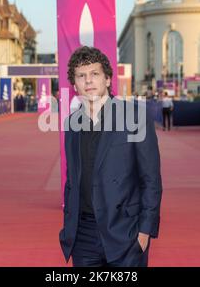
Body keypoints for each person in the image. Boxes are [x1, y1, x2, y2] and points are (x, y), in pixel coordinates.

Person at [59, 46, 163, 267]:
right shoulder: (71, 124)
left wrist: (145, 230)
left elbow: (151, 179)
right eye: (81, 76)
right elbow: (72, 179)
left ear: (107, 79)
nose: (88, 81)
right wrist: (69, 225)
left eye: (94, 74)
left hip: (125, 231)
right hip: (83, 235)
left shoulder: (134, 116)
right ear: (75, 84)